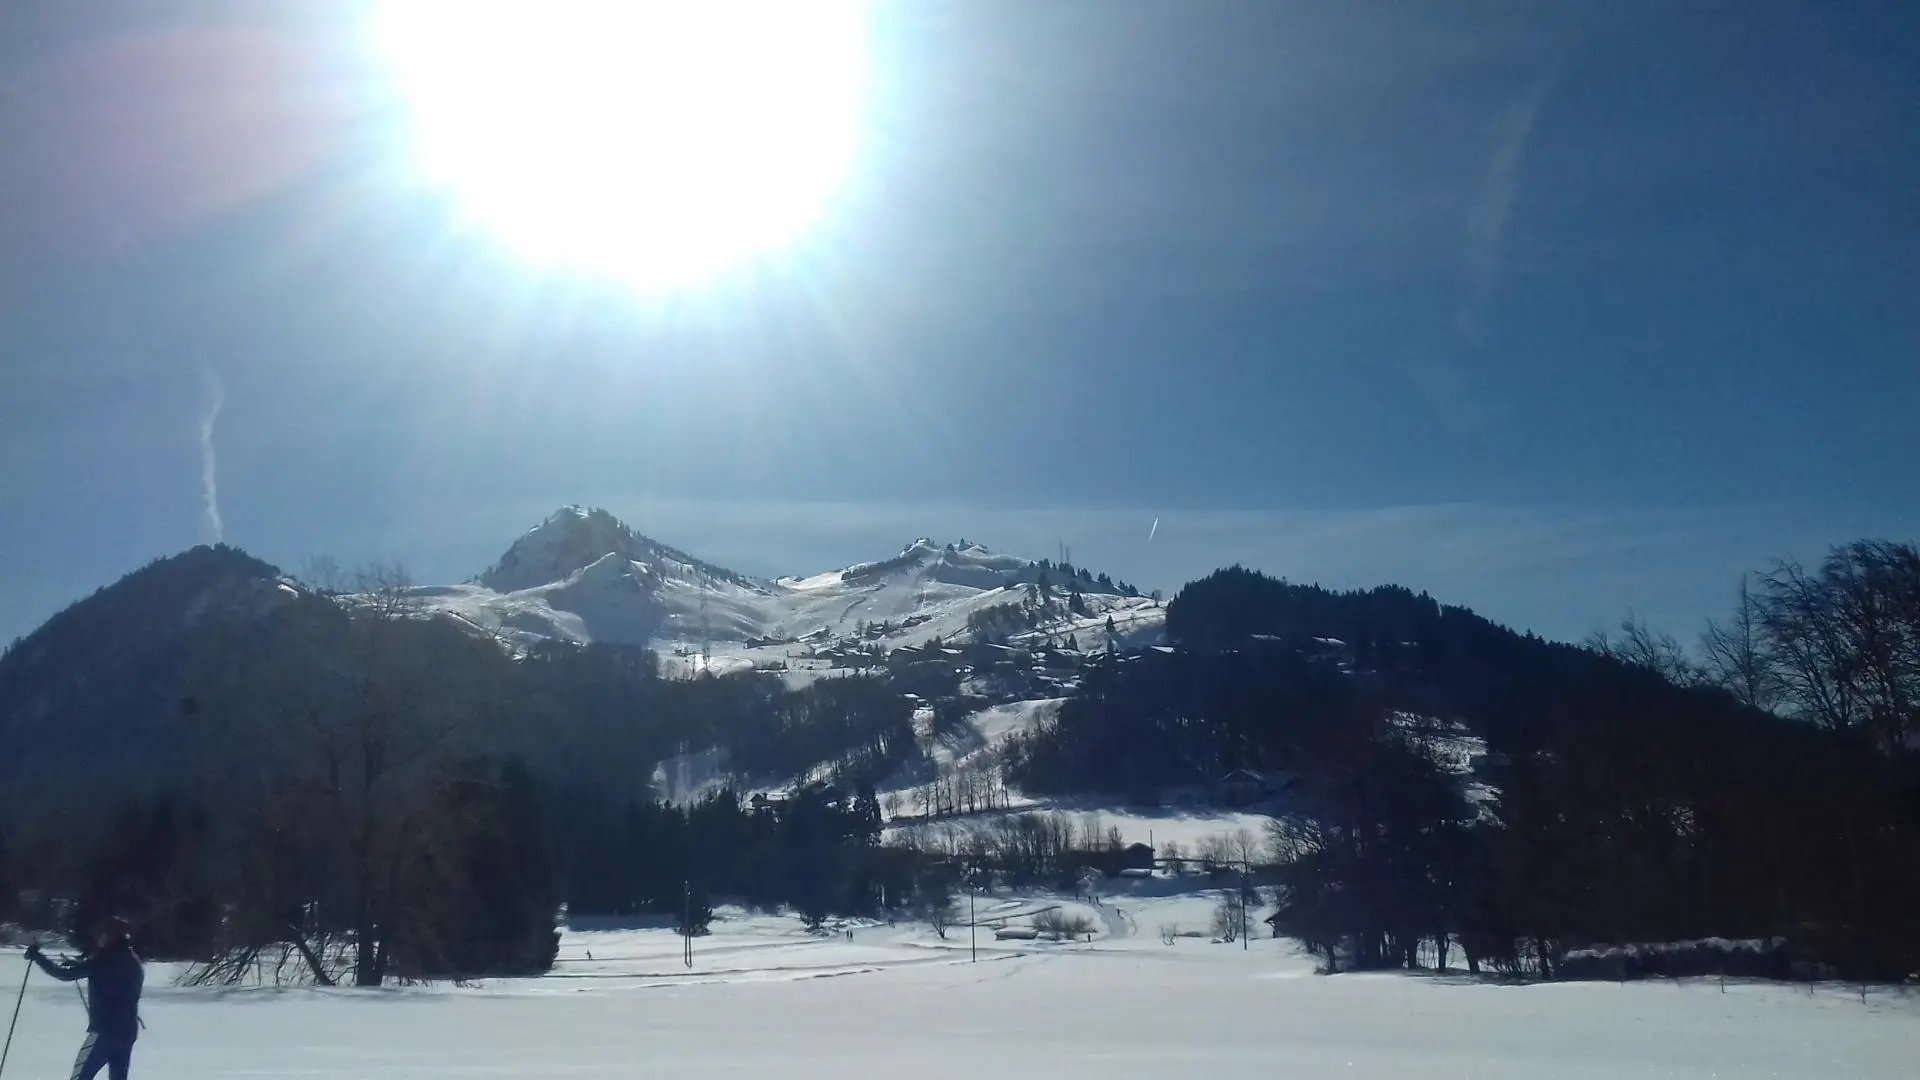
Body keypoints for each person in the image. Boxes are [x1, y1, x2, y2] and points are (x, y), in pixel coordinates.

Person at [25, 916, 144, 1080]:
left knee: (81, 1077)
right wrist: (80, 964)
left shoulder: (103, 959)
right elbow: (113, 979)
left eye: (102, 934)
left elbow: (64, 975)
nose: (99, 937)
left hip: (103, 1033)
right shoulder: (133, 961)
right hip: (127, 1032)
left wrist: (38, 957)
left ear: (110, 936)